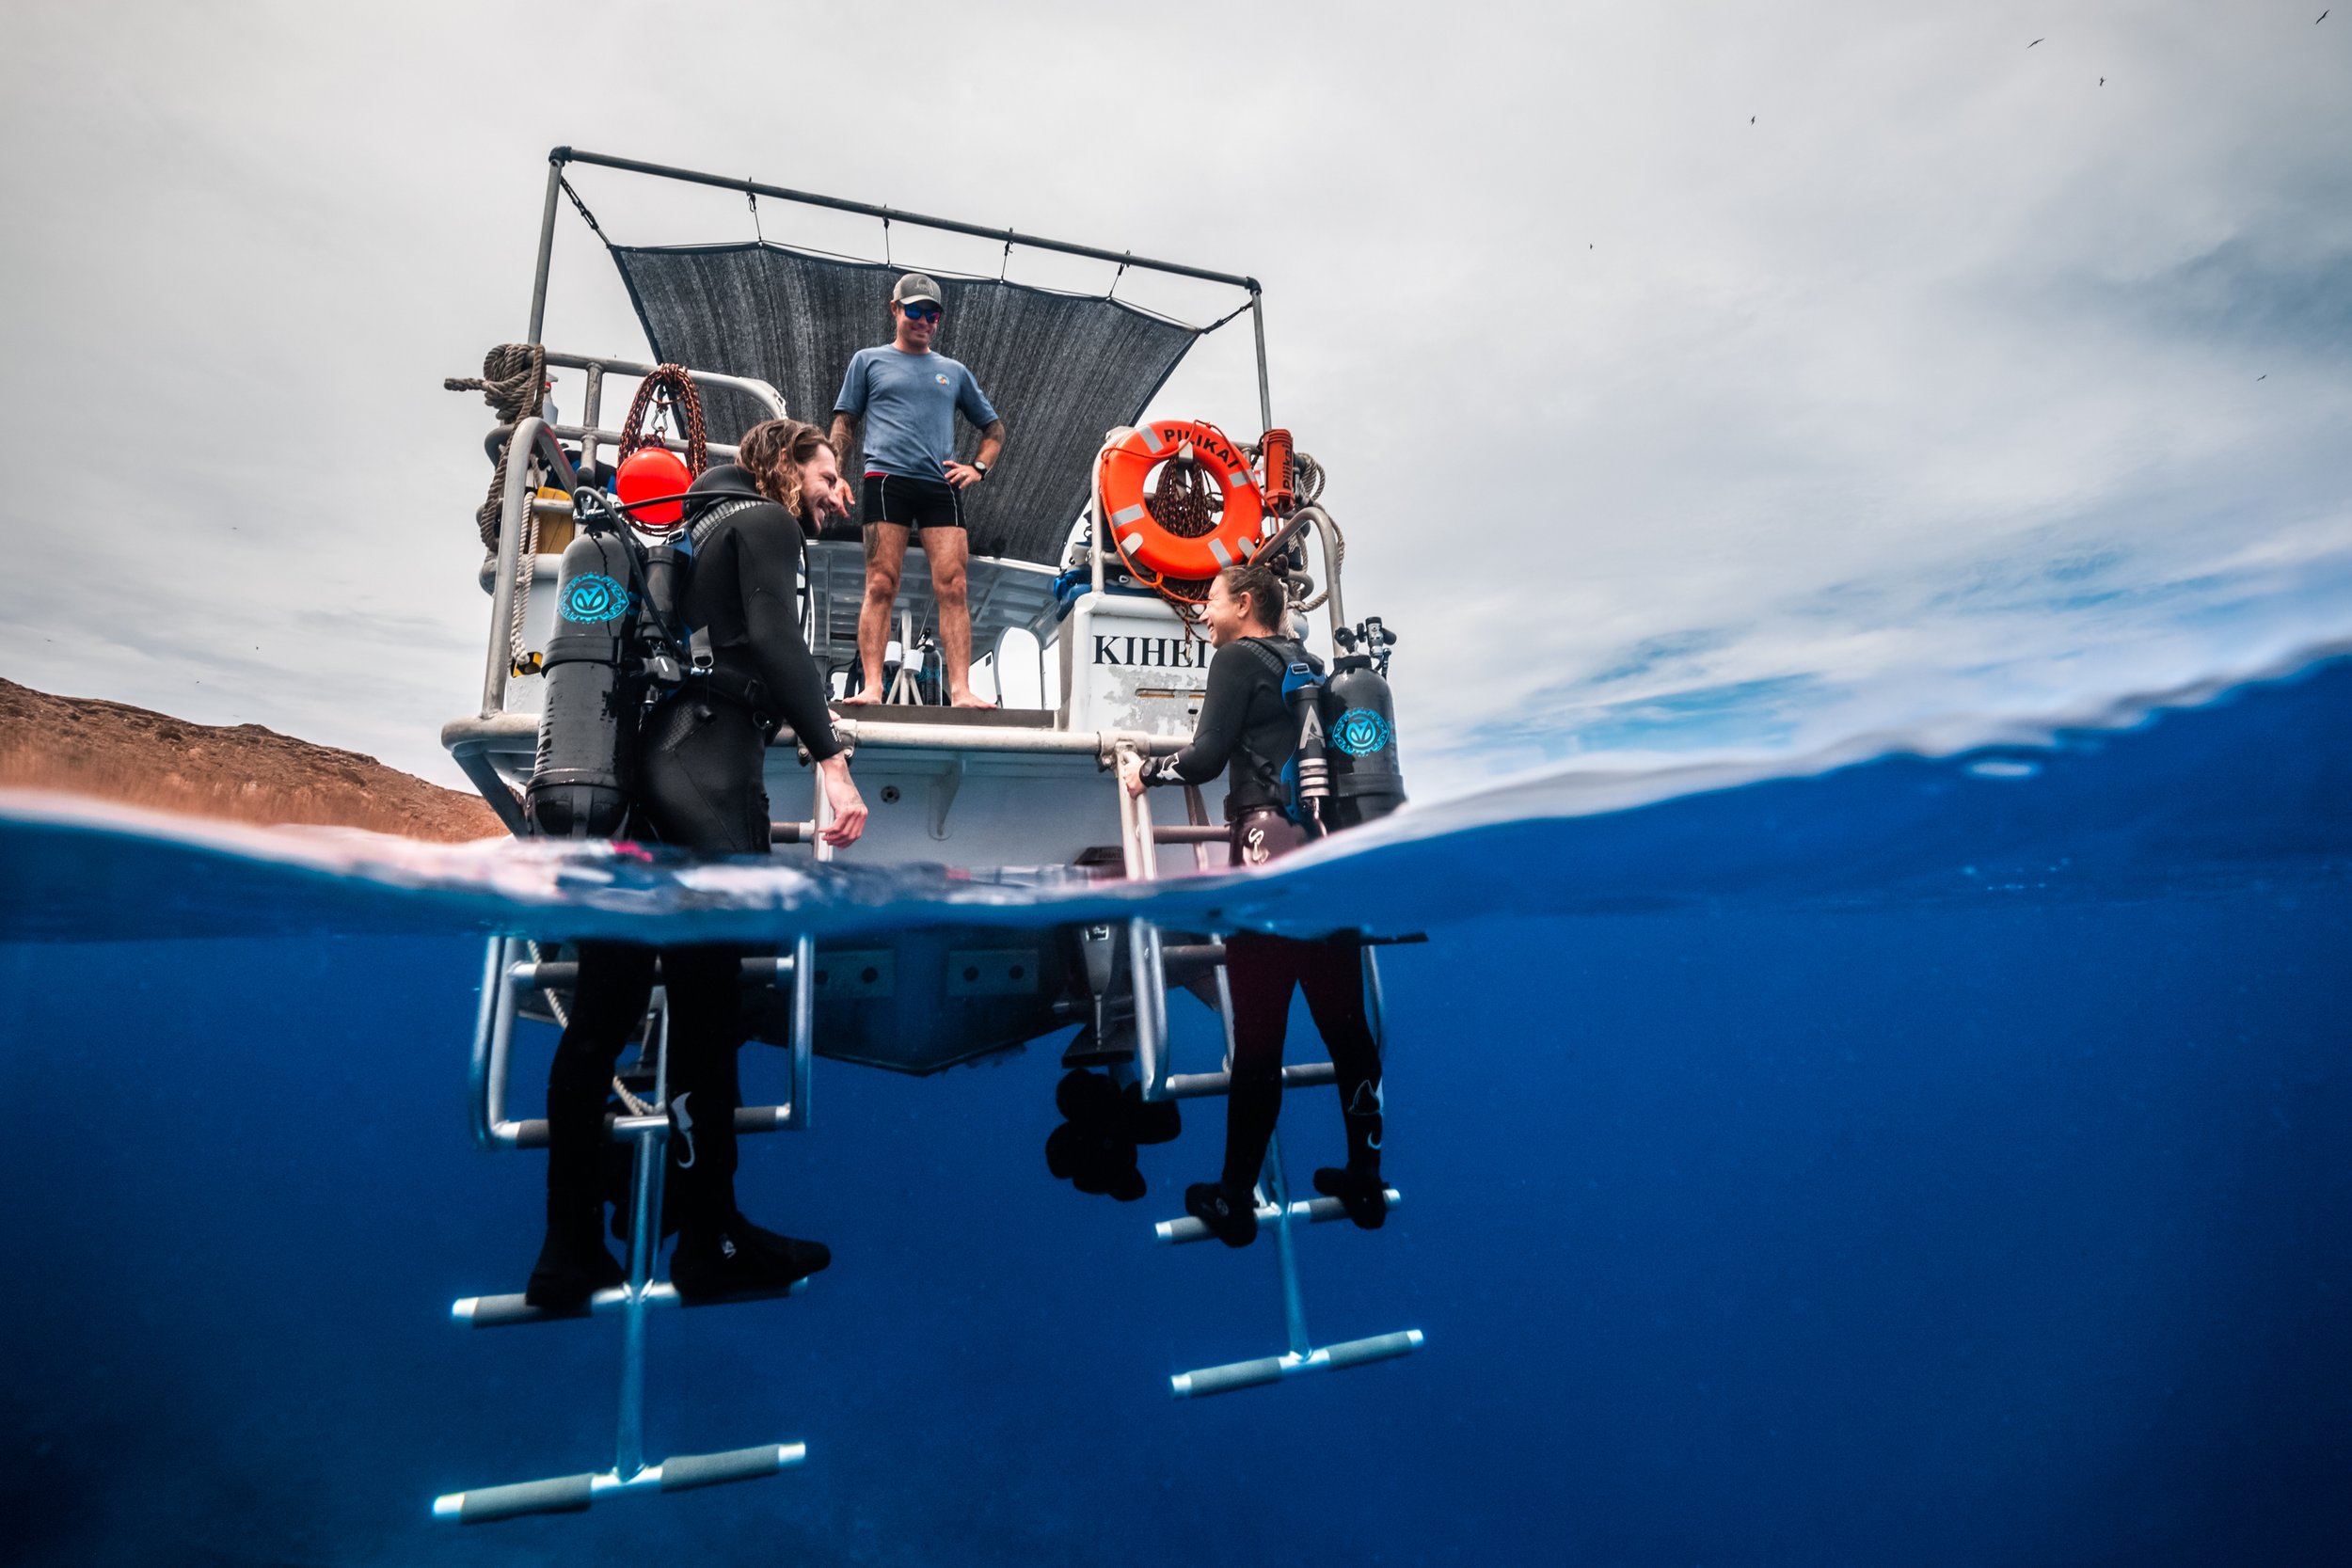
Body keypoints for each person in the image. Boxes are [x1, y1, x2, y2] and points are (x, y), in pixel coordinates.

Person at [527, 419, 869, 1309]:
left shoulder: (692, 530)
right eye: (828, 472)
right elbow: (779, 642)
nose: (839, 492)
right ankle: (709, 1239)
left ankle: (568, 1250)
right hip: (704, 782)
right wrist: (832, 760)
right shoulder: (764, 521)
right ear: (787, 464)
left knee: (600, 1018)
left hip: (645, 785)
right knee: (709, 1018)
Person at [1117, 563, 1387, 1248]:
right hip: (1330, 859)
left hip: (1268, 852)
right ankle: (1365, 1178)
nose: (1203, 615)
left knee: (1260, 1039)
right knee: (1349, 1034)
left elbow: (1205, 759)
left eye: (1209, 602)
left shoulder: (1238, 658)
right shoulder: (1313, 663)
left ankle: (1235, 1198)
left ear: (1243, 603)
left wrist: (1142, 770)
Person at [830, 272, 1008, 708]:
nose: (924, 320)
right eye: (915, 311)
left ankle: (961, 690)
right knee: (880, 583)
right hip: (885, 479)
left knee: (954, 586)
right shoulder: (867, 361)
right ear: (896, 309)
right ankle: (872, 687)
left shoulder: (953, 371)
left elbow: (994, 428)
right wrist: (834, 475)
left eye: (932, 314)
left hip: (939, 484)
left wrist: (978, 467)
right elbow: (845, 422)